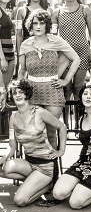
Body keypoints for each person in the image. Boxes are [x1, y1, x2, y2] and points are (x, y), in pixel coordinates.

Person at [1, 80, 67, 206]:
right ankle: (34, 182)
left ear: (27, 94)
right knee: (2, 169)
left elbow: (62, 127)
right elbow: (12, 146)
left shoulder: (39, 112)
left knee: (19, 200)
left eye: (21, 92)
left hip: (45, 166)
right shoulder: (13, 117)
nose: (18, 95)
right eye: (15, 93)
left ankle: (47, 186)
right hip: (29, 162)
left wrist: (61, 150)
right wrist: (4, 157)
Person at [18, 9, 79, 147]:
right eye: (35, 23)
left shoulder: (56, 41)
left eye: (42, 23)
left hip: (53, 91)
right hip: (32, 92)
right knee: (35, 132)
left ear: (47, 25)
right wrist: (20, 91)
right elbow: (22, 71)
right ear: (31, 26)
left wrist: (66, 80)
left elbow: (75, 58)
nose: (38, 26)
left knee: (51, 132)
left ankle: (53, 167)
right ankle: (35, 166)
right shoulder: (25, 45)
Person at [53, 0, 91, 100]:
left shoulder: (85, 9)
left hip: (82, 53)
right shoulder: (57, 12)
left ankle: (79, 119)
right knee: (66, 88)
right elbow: (52, 37)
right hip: (65, 55)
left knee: (78, 88)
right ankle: (65, 120)